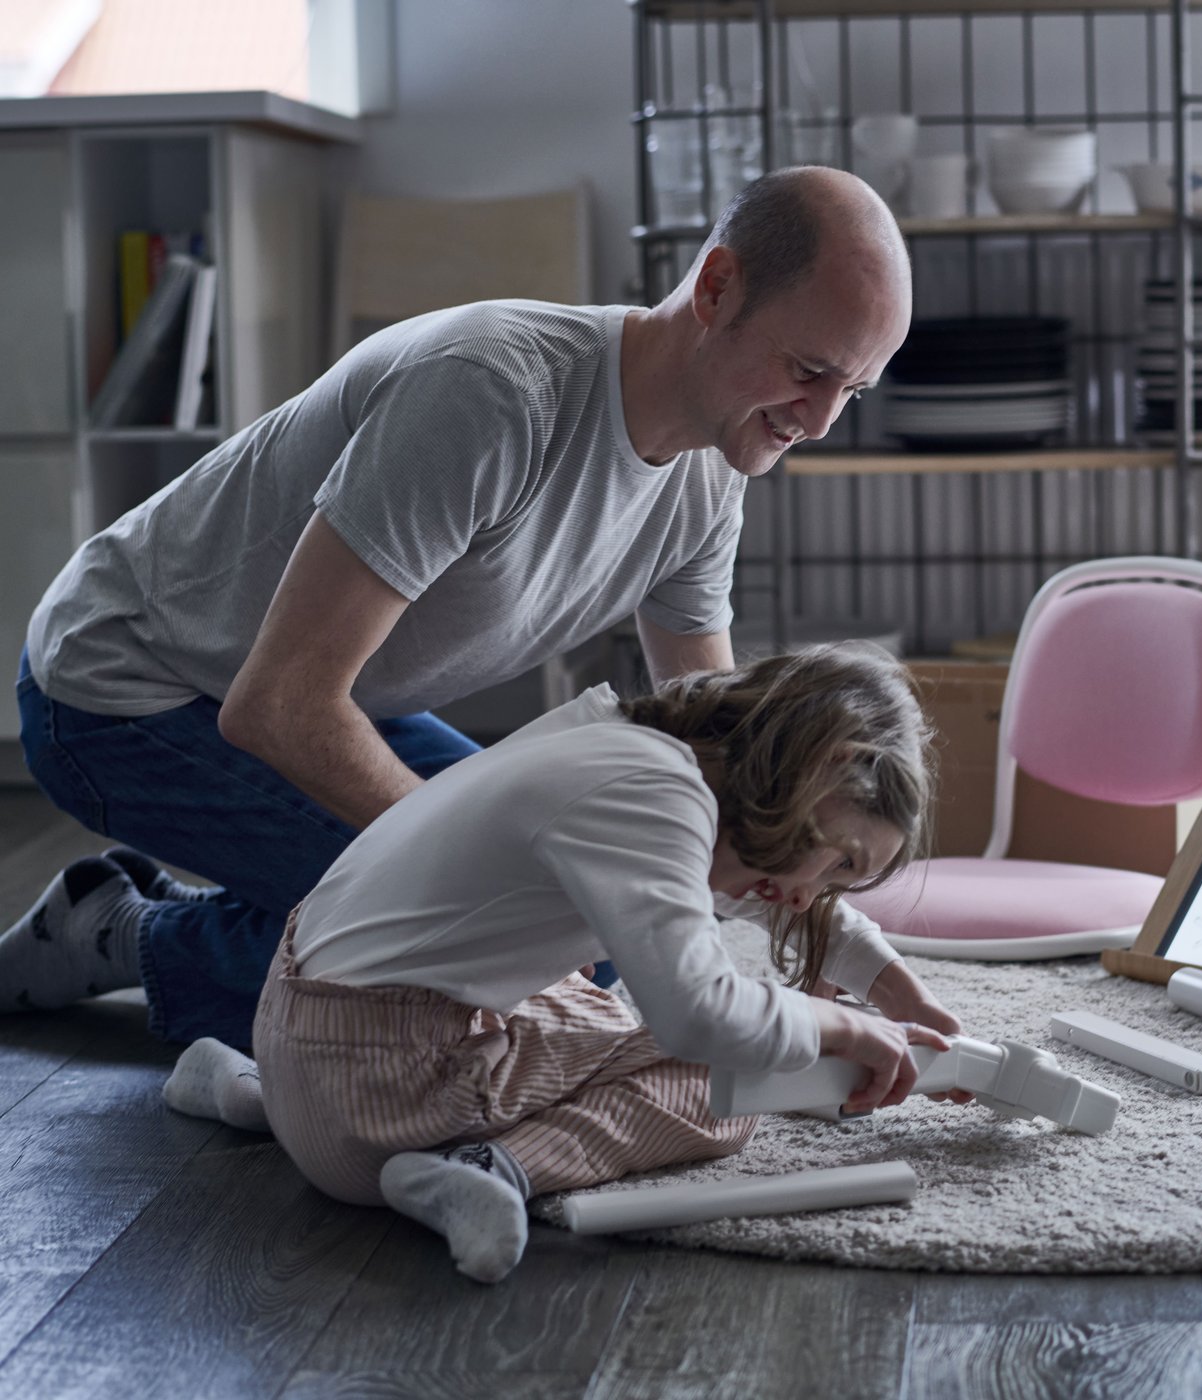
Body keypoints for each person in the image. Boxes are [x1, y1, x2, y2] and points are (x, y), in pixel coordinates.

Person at [0, 167, 913, 1045]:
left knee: (586, 936)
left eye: (854, 390)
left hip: (331, 695)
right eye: (809, 370)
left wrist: (847, 945)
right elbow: (278, 706)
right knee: (513, 935)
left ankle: (201, 912)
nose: (821, 420)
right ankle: (121, 932)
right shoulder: (495, 390)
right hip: (121, 690)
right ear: (717, 288)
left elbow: (721, 764)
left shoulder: (711, 472)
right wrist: (498, 892)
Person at [160, 644, 965, 1283]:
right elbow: (698, 1014)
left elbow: (764, 890)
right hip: (370, 1098)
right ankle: (488, 1168)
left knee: (592, 1004)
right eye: (839, 863)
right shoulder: (655, 798)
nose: (814, 894)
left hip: (296, 1026)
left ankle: (252, 1092)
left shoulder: (615, 735)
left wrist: (898, 989)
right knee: (726, 1082)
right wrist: (841, 1026)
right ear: (824, 768)